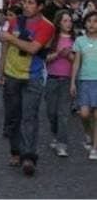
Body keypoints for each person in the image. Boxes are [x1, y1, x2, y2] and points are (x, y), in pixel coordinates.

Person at [0, 0, 55, 176]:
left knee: (29, 117)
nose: (26, 6)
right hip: (12, 75)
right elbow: (4, 46)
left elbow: (32, 48)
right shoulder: (12, 21)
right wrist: (1, 71)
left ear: (40, 6)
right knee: (13, 116)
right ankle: (15, 150)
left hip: (33, 77)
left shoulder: (47, 26)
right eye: (25, 2)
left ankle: (29, 157)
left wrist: (10, 37)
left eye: (31, 3)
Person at [42, 10, 76, 157]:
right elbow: (45, 58)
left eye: (70, 20)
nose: (68, 23)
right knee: (51, 112)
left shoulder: (76, 40)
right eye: (65, 21)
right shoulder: (52, 39)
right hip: (52, 78)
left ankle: (62, 144)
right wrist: (58, 54)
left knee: (63, 114)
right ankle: (56, 135)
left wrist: (70, 56)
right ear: (59, 22)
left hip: (67, 79)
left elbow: (78, 62)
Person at [70, 11, 97, 161]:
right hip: (84, 81)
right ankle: (88, 133)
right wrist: (73, 81)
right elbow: (76, 63)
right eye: (89, 21)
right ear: (85, 23)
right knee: (85, 114)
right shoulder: (80, 41)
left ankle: (95, 147)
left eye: (95, 21)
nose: (92, 24)